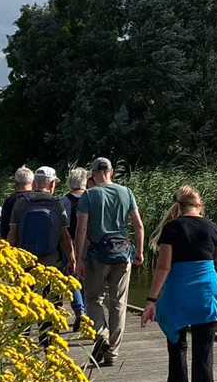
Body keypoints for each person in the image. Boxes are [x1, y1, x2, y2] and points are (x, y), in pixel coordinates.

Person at [139, 186, 217, 382]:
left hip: (178, 296)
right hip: (207, 294)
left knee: (177, 348)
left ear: (179, 206)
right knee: (204, 355)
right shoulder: (213, 227)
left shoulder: (171, 228)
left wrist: (151, 300)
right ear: (199, 204)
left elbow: (163, 267)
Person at [72, 157, 145, 368]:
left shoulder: (89, 194)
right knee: (119, 303)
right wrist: (139, 251)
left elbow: (82, 229)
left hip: (97, 255)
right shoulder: (126, 192)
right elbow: (138, 225)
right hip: (123, 254)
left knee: (93, 298)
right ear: (111, 172)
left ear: (93, 174)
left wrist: (79, 258)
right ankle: (112, 352)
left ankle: (101, 335)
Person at [8, 166, 74, 348]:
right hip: (51, 264)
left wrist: (9, 260)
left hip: (25, 264)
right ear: (52, 184)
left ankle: (22, 342)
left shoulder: (21, 203)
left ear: (35, 183)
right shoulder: (57, 204)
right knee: (51, 304)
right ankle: (49, 343)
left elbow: (12, 234)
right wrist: (72, 258)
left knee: (23, 303)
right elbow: (64, 237)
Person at [61, 167, 88, 324]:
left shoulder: (64, 201)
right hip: (88, 243)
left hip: (69, 243)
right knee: (86, 278)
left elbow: (62, 226)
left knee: (72, 277)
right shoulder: (91, 197)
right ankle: (87, 308)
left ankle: (79, 309)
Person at [0, 166, 34, 240]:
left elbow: (5, 225)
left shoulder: (10, 200)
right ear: (33, 183)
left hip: (16, 242)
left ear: (16, 183)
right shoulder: (37, 198)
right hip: (36, 241)